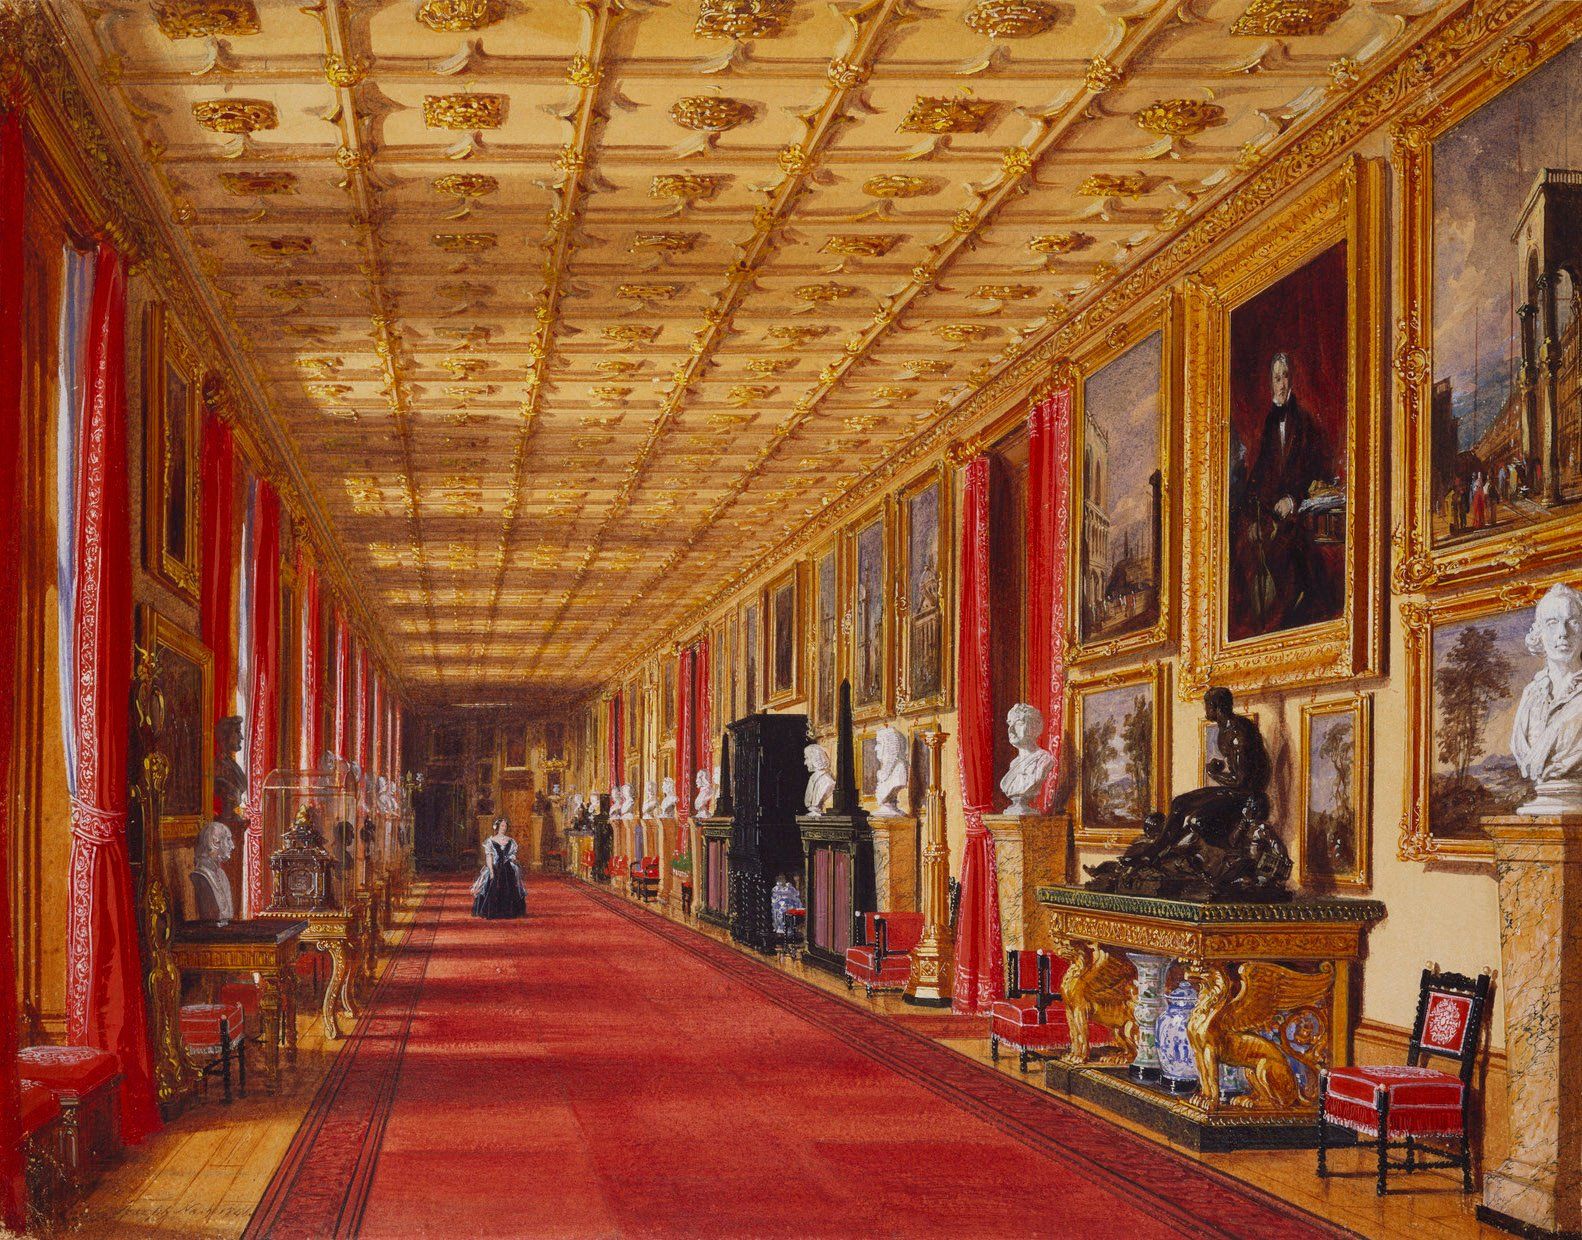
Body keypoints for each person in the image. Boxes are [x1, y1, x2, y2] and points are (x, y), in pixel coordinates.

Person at [1233, 351, 1335, 633]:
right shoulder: (1269, 423)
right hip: (1274, 511)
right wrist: (1250, 514)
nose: (1281, 384)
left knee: (1293, 555)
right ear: (1270, 383)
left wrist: (1293, 499)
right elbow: (1262, 473)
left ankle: (1297, 618)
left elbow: (1315, 468)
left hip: (1299, 510)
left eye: (1285, 377)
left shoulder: (1303, 421)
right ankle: (1266, 624)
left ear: (1292, 380)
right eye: (1276, 378)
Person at [1511, 583, 1582, 815]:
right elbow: (1521, 750)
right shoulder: (1531, 694)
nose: (1563, 632)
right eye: (1552, 623)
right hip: (1543, 803)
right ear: (1539, 633)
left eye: (1572, 621)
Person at [472, 816, 527, 919]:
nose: (504, 827)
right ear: (496, 827)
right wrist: (491, 871)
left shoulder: (511, 841)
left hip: (507, 868)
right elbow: (489, 856)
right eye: (502, 825)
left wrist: (513, 860)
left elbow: (512, 855)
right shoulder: (490, 841)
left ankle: (509, 911)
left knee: (510, 887)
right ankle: (493, 911)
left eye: (505, 826)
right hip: (495, 867)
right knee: (492, 887)